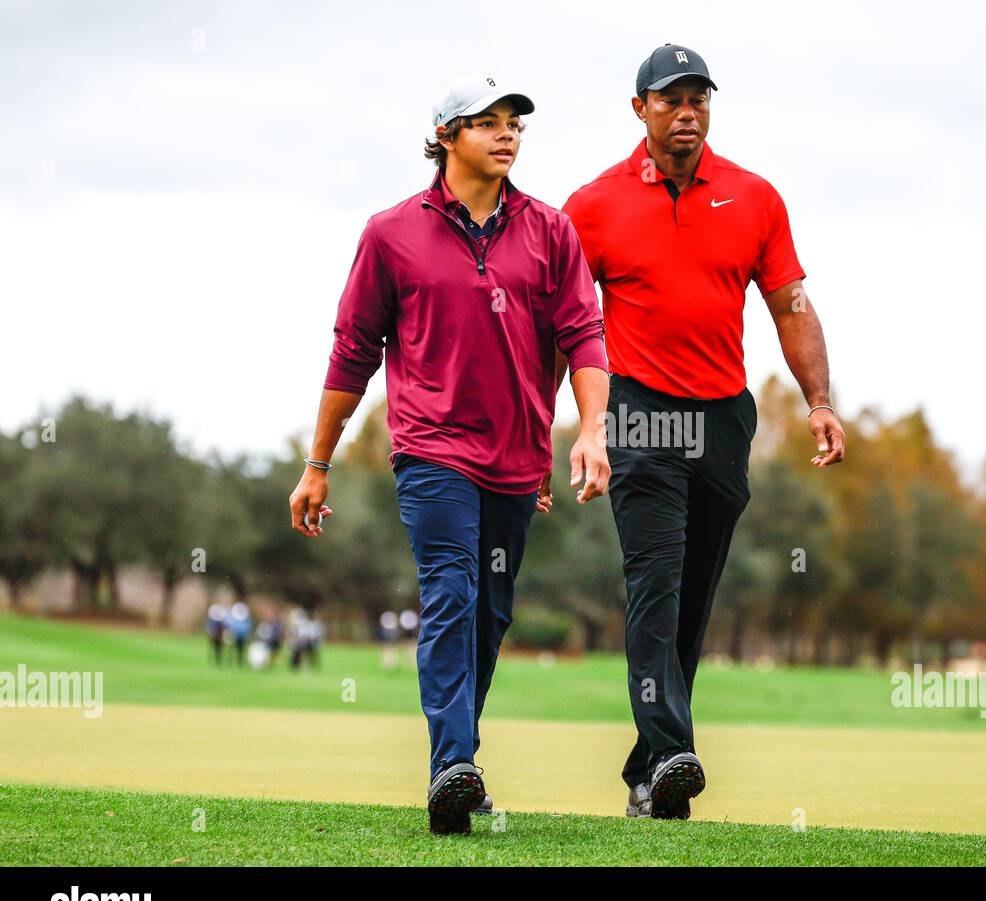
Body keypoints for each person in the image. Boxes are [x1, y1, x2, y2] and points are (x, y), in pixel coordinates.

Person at [289, 73, 610, 835]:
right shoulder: (390, 233)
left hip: (518, 459)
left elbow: (584, 337)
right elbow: (352, 353)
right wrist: (318, 461)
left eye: (515, 123)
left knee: (490, 613)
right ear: (444, 135)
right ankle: (454, 766)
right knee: (451, 591)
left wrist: (591, 430)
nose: (507, 134)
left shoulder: (552, 231)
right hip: (432, 452)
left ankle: (456, 766)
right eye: (487, 122)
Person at [563, 44, 846, 820]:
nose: (687, 112)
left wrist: (818, 401)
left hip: (724, 418)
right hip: (641, 411)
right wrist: (555, 428)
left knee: (693, 599)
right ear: (640, 110)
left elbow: (789, 306)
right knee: (655, 587)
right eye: (670, 100)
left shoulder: (754, 197)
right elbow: (561, 324)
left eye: (698, 99)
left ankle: (649, 765)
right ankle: (675, 750)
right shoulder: (592, 205)